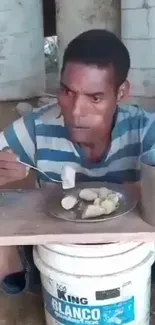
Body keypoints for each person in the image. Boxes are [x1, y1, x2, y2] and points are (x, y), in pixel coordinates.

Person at [0, 29, 154, 294]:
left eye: (95, 98)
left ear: (121, 92)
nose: (76, 112)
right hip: (58, 254)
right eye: (68, 92)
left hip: (125, 253)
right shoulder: (38, 127)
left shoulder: (143, 129)